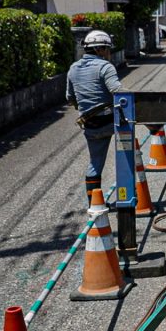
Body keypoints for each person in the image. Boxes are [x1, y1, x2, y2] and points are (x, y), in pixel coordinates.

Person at [66, 30, 123, 204]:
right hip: (110, 122)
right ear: (99, 49)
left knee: (95, 163)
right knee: (127, 151)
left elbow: (70, 97)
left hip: (90, 124)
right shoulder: (105, 67)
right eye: (107, 49)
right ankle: (128, 193)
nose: (109, 53)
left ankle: (95, 204)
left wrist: (83, 107)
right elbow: (118, 92)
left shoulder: (73, 68)